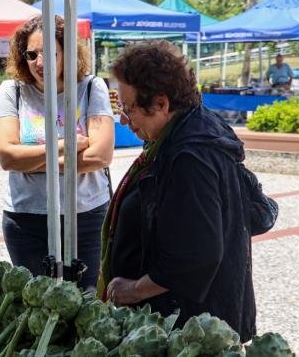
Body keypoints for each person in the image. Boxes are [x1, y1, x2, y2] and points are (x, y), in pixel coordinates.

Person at [99, 41, 256, 342]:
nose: (123, 120)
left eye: (128, 109)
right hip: (195, 319)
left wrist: (133, 290)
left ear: (161, 104)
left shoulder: (190, 157)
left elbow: (197, 256)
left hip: (190, 327)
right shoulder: (194, 127)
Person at [0, 15, 115, 288]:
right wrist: (66, 146)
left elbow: (100, 156)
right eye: (31, 54)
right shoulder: (11, 92)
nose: (40, 62)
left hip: (86, 217)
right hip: (26, 220)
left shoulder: (91, 88)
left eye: (49, 53)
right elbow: (6, 156)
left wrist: (30, 160)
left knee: (86, 307)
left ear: (67, 52)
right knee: (38, 309)